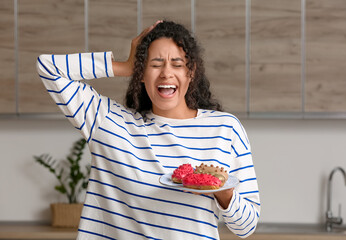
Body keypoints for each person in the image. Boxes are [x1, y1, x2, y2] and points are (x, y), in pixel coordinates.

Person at [37, 20, 260, 240]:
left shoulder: (225, 128)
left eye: (177, 64)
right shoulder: (108, 122)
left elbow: (246, 226)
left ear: (190, 72)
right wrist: (123, 66)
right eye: (155, 64)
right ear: (141, 73)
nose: (166, 73)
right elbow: (48, 68)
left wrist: (222, 191)